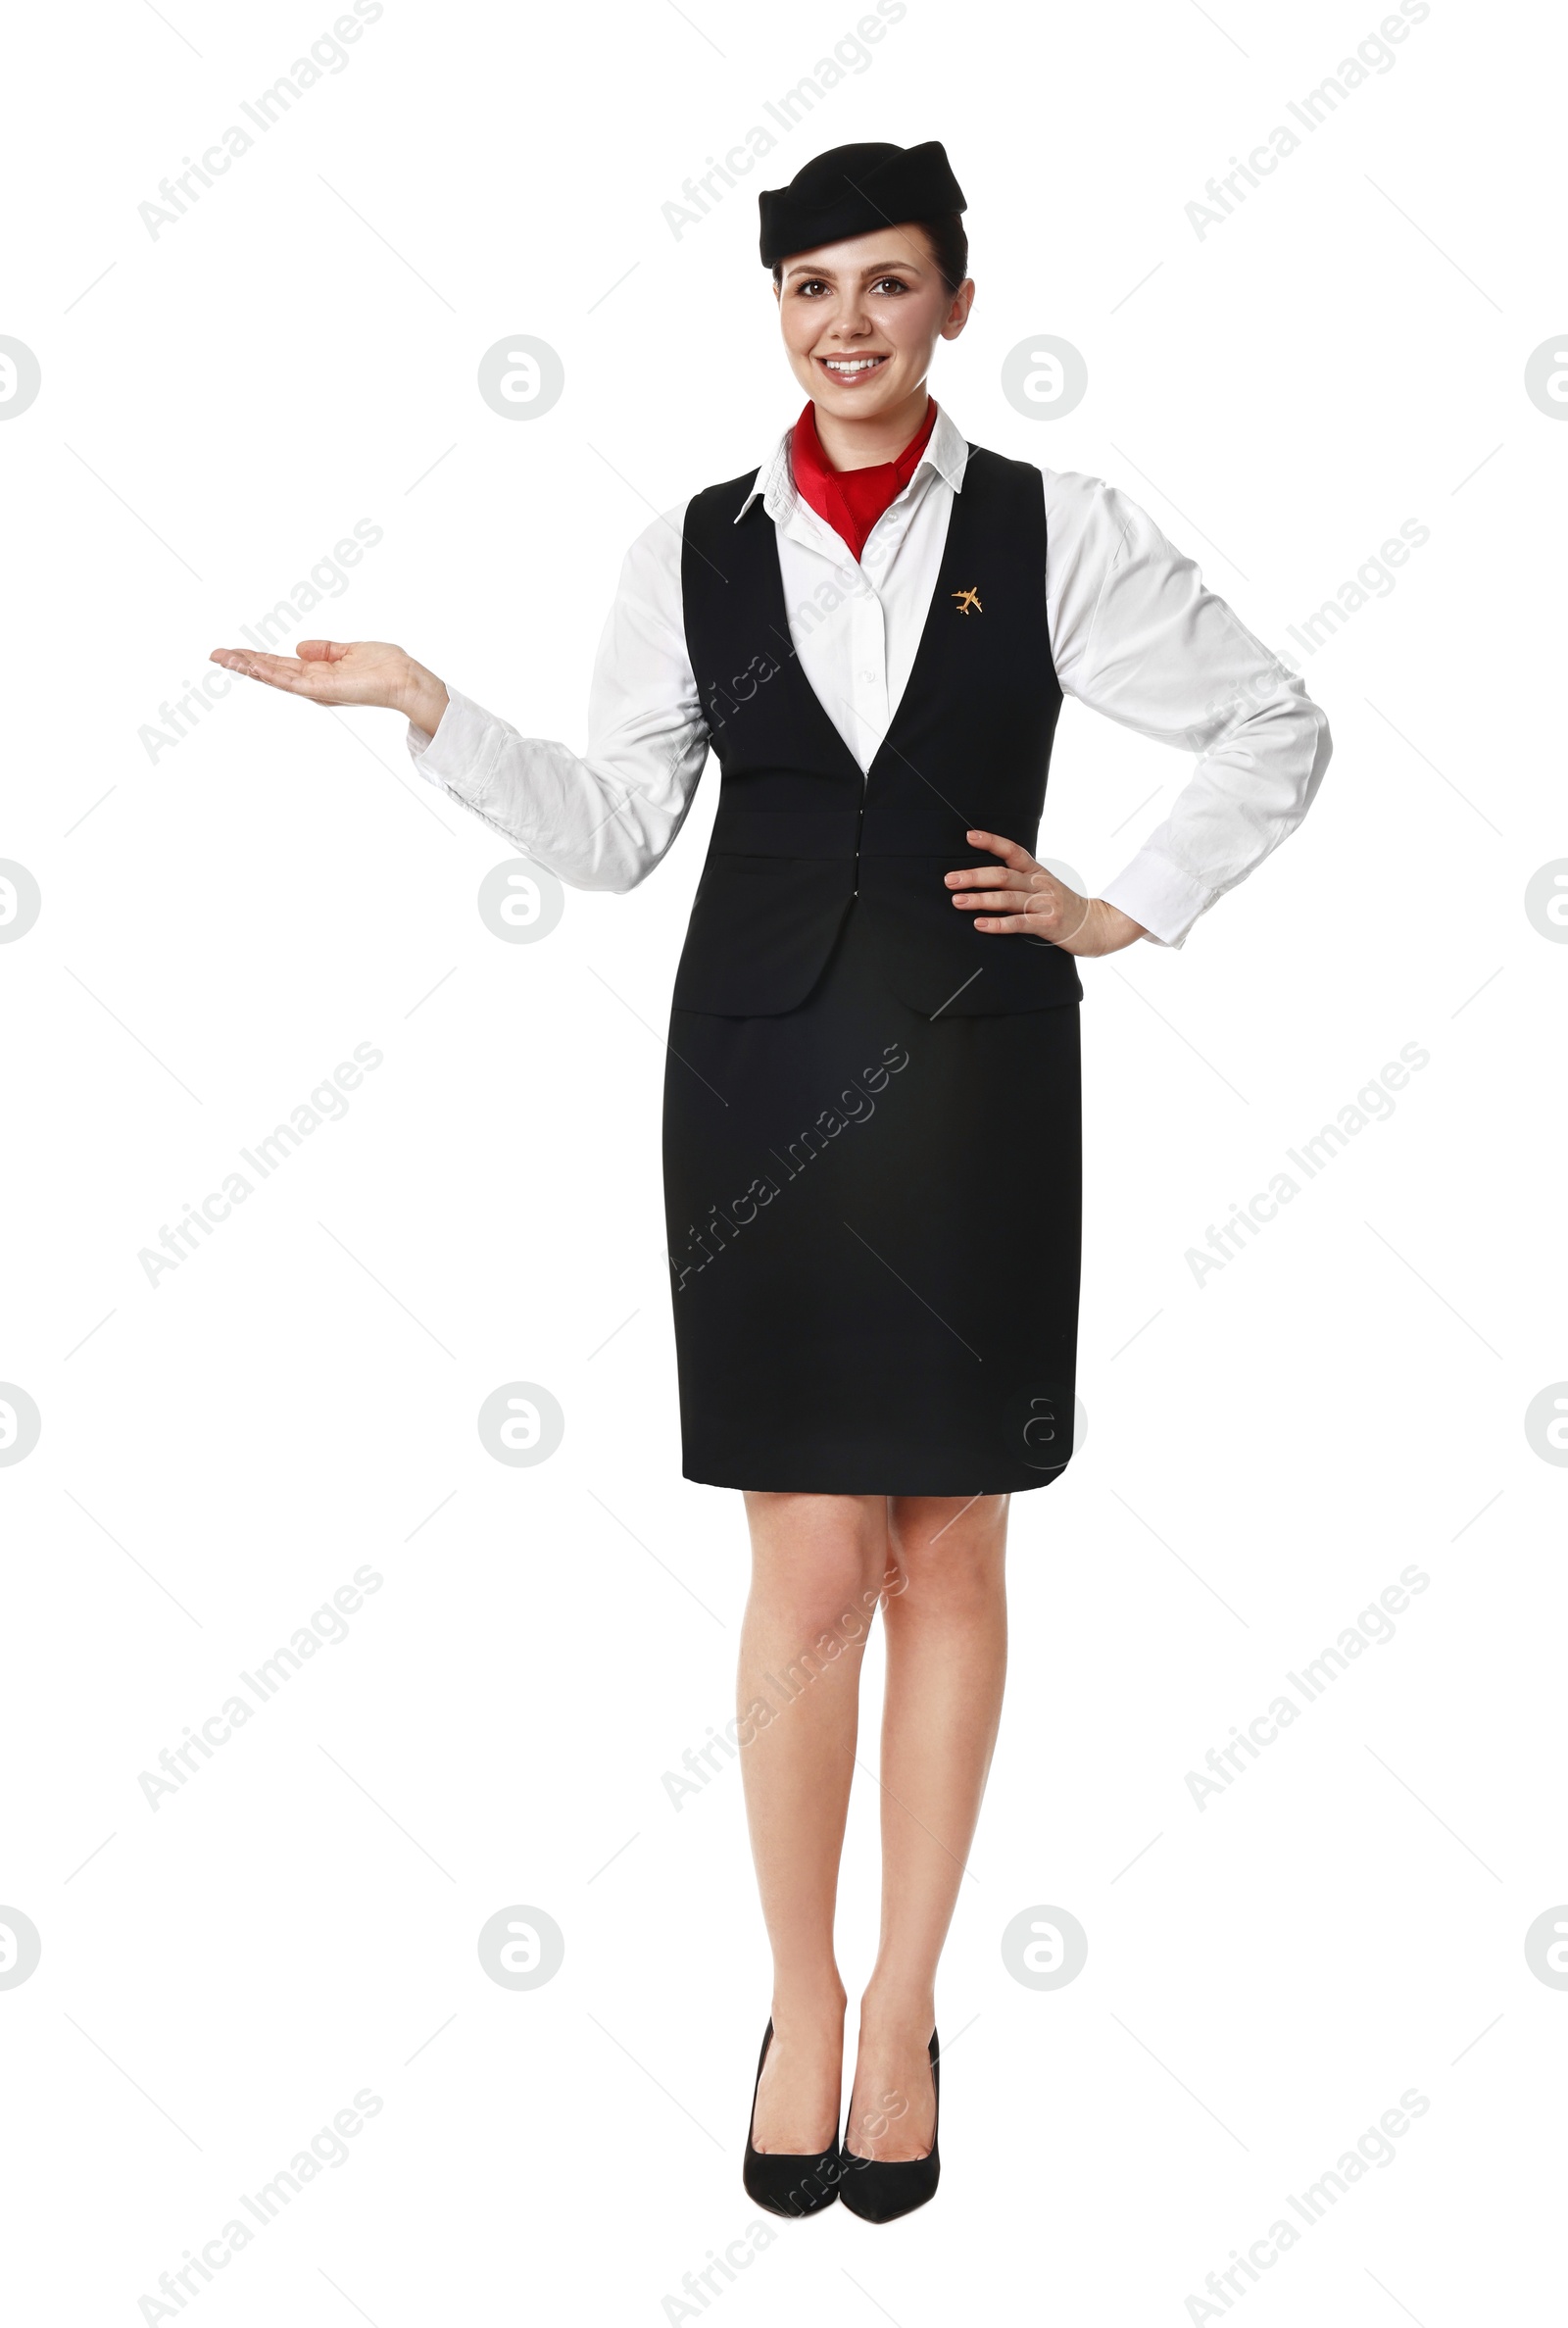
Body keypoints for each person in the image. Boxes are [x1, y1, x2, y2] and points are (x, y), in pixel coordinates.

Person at [212, 138, 1330, 2223]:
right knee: (809, 1560)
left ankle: (904, 2000)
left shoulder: (1052, 530)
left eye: (888, 284)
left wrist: (1126, 905)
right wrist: (428, 711)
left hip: (976, 1076)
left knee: (954, 1556)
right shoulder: (691, 550)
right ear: (777, 312)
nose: (846, 323)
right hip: (760, 1077)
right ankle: (796, 1996)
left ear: (954, 308)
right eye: (811, 286)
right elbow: (621, 830)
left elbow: (1271, 724)